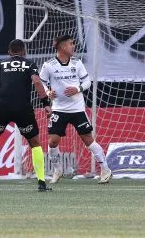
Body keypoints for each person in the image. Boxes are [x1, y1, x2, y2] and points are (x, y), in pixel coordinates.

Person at [0, 39, 50, 192]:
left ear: (9, 53)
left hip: (2, 107)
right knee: (34, 143)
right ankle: (41, 182)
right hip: (23, 107)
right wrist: (46, 103)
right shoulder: (29, 64)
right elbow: (37, 83)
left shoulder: (0, 65)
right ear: (24, 52)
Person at [39, 35, 112, 185]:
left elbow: (87, 82)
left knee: (88, 140)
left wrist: (78, 88)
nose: (73, 46)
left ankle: (105, 169)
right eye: (70, 44)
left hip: (77, 109)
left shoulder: (77, 63)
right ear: (62, 47)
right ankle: (57, 170)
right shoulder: (49, 65)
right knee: (53, 142)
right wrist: (48, 92)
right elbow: (41, 83)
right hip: (59, 109)